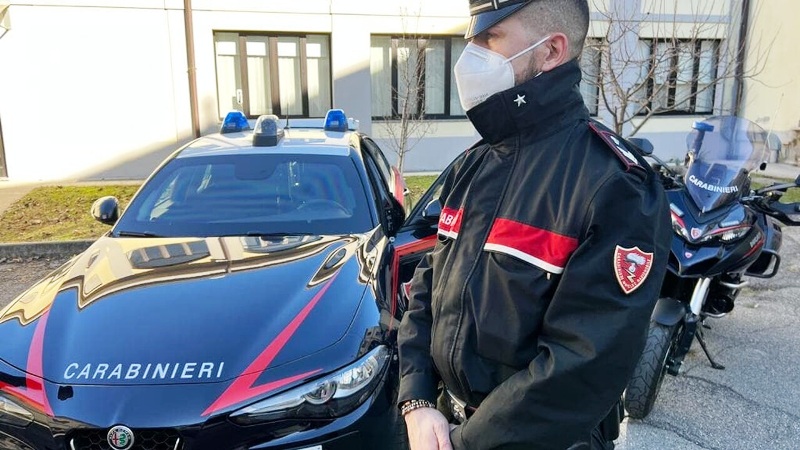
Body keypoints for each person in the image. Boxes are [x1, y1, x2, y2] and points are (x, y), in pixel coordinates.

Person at [396, 0, 672, 449]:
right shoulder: (474, 165)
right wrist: (418, 398)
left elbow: (584, 361)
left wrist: (465, 443)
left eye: (490, 39)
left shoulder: (614, 185)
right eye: (473, 40)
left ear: (551, 51)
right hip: (443, 424)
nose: (470, 57)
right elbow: (428, 286)